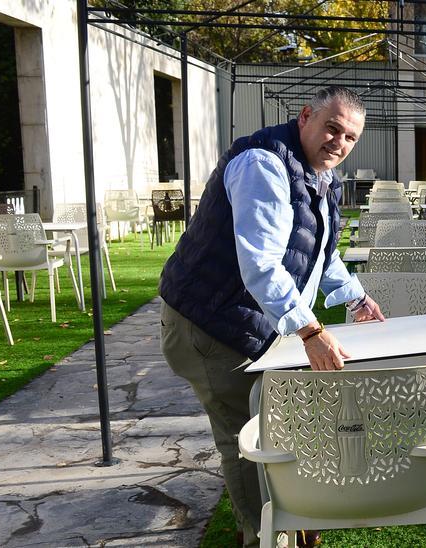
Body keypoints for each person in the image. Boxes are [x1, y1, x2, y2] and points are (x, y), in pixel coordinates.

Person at [158, 86, 384, 547]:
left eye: (350, 138)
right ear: (305, 117)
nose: (339, 143)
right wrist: (311, 330)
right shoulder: (263, 164)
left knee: (280, 424)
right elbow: (261, 263)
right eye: (332, 128)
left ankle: (291, 521)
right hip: (208, 324)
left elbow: (320, 252)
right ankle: (262, 535)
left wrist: (358, 299)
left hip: (246, 320)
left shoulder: (319, 175)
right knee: (248, 440)